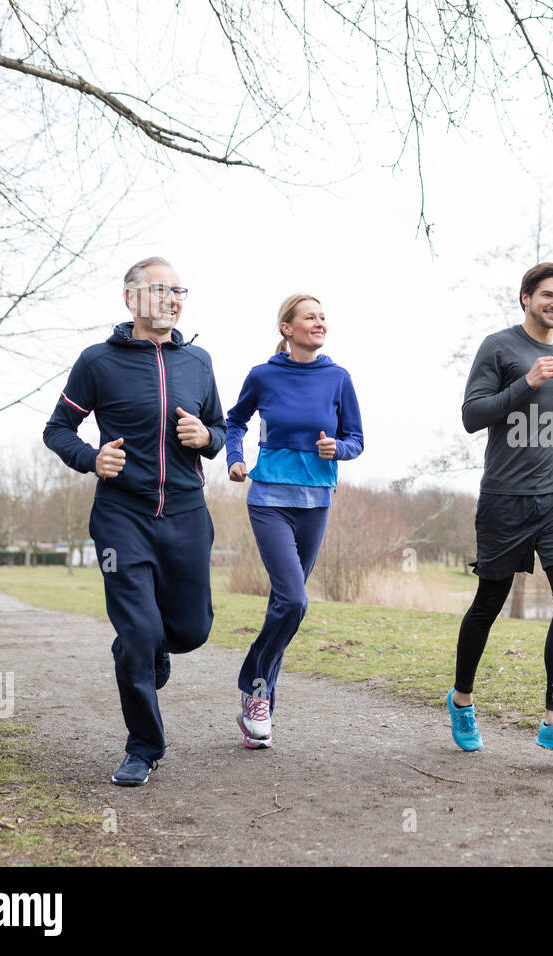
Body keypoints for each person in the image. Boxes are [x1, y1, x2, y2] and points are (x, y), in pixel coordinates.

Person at [43, 256, 226, 787]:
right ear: (131, 298)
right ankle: (143, 746)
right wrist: (91, 458)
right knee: (139, 630)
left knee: (191, 630)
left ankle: (147, 648)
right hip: (122, 515)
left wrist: (209, 439)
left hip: (188, 513)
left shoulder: (199, 362)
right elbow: (58, 429)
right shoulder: (97, 361)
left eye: (179, 290)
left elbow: (219, 426)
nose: (174, 299)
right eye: (162, 289)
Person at [447, 262, 553, 756]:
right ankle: (462, 700)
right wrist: (526, 382)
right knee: (488, 603)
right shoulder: (499, 347)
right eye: (548, 295)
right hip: (505, 499)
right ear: (526, 299)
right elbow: (473, 416)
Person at [224, 294, 363, 748]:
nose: (320, 322)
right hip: (268, 498)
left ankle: (257, 703)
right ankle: (254, 687)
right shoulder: (263, 375)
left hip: (317, 500)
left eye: (324, 316)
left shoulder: (338, 378)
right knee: (295, 600)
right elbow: (235, 421)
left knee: (282, 605)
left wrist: (336, 450)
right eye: (310, 316)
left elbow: (356, 439)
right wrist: (235, 459)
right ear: (287, 327)